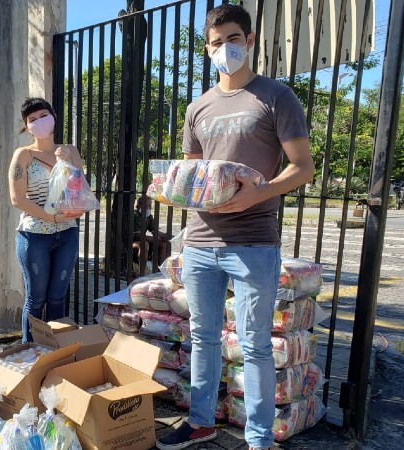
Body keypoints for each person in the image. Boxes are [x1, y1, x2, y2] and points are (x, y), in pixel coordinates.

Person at [155, 5, 314, 450]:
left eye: (233, 38)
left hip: (253, 241)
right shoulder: (198, 107)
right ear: (206, 49)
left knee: (255, 343)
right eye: (216, 42)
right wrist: (167, 189)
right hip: (202, 241)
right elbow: (189, 177)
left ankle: (260, 439)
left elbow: (303, 168)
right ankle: (202, 420)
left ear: (249, 39)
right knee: (203, 337)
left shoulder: (276, 97)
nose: (225, 48)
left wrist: (255, 195)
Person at [8, 97, 84, 343]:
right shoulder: (24, 155)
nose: (39, 122)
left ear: (53, 117)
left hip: (67, 235)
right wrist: (50, 216)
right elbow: (17, 199)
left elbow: (80, 193)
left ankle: (55, 353)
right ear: (26, 126)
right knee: (36, 298)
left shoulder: (70, 151)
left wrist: (67, 162)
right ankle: (28, 352)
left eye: (43, 115)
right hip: (34, 236)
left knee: (58, 298)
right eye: (32, 119)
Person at [132, 195, 170, 269]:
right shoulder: (135, 215)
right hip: (132, 242)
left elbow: (155, 231)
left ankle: (161, 269)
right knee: (144, 244)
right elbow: (138, 236)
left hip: (142, 241)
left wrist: (166, 236)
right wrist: (155, 238)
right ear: (139, 205)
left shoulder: (149, 217)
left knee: (162, 244)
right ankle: (142, 271)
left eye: (150, 206)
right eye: (147, 206)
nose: (148, 208)